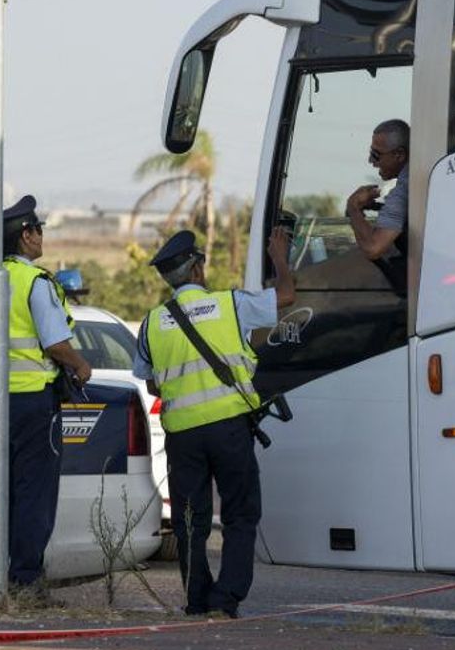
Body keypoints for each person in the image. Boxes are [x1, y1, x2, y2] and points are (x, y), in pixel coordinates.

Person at [132, 227, 296, 618]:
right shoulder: (230, 305)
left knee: (191, 520)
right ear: (199, 269)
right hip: (229, 429)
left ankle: (196, 599)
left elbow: (150, 378)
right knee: (240, 514)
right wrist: (280, 258)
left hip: (182, 435)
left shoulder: (152, 323)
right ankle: (225, 600)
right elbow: (287, 297)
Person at [1, 194, 92, 592]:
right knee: (34, 494)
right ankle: (25, 581)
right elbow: (55, 342)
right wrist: (79, 365)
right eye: (37, 230)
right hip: (33, 402)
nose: (41, 237)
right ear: (24, 237)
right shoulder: (36, 282)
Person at [346, 118, 410, 261]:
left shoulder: (406, 188)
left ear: (399, 155)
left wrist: (353, 207)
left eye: (376, 155)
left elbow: (373, 248)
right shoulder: (415, 178)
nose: (370, 161)